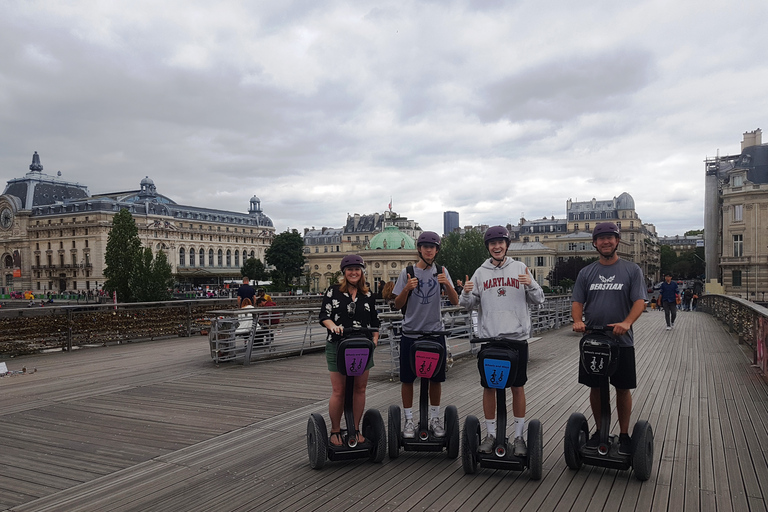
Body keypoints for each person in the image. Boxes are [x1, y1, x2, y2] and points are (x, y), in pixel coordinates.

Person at [459, 226, 545, 456]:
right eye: (492, 243)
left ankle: (518, 436)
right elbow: (466, 305)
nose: (497, 247)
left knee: (517, 387)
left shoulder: (520, 268)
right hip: (490, 338)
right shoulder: (480, 272)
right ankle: (490, 434)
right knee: (489, 387)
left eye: (501, 243)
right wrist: (466, 292)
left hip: (516, 338)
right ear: (488, 247)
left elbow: (539, 300)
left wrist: (531, 283)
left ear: (507, 245)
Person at [572, 222, 647, 456]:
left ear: (617, 241)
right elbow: (577, 302)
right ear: (595, 243)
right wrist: (577, 320)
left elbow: (640, 301)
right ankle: (600, 429)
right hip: (594, 340)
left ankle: (624, 434)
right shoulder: (586, 272)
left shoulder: (631, 270)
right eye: (601, 238)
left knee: (622, 388)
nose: (606, 242)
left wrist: (626, 323)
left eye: (610, 238)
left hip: (621, 341)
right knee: (596, 387)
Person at [393, 231, 459, 438]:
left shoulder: (442, 271)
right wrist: (406, 289)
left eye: (432, 247)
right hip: (411, 332)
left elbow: (455, 302)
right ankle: (409, 419)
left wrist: (447, 284)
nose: (429, 250)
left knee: (436, 379)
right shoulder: (408, 272)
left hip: (434, 332)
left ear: (436, 250)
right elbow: (396, 305)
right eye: (425, 247)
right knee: (407, 379)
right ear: (419, 249)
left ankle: (435, 418)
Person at [319, 254, 380, 446]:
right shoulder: (333, 291)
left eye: (357, 269)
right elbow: (324, 315)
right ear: (344, 272)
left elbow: (375, 321)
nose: (354, 272)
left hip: (362, 345)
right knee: (339, 390)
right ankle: (335, 429)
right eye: (350, 269)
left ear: (362, 271)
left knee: (360, 389)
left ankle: (355, 428)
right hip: (338, 344)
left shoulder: (368, 295)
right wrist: (332, 326)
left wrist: (375, 339)